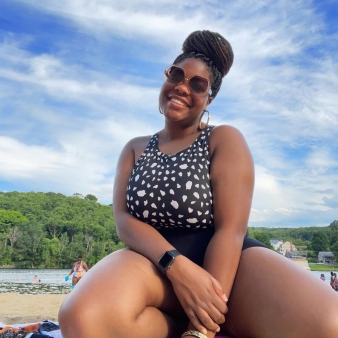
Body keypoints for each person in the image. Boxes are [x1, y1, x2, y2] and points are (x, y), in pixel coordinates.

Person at [59, 30, 338, 338]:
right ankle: (175, 322)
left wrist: (201, 326)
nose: (181, 87)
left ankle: (210, 324)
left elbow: (230, 230)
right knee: (82, 316)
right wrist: (175, 265)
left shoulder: (222, 139)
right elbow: (124, 221)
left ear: (209, 98)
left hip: (228, 265)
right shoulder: (135, 148)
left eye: (197, 84)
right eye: (175, 75)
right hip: (153, 265)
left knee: (330, 324)